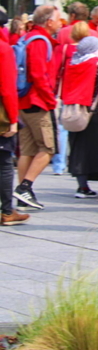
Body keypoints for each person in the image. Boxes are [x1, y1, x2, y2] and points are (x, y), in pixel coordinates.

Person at [13, 5, 62, 211]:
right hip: (37, 101)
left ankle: (23, 192)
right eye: (58, 19)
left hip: (24, 100)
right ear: (49, 22)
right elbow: (39, 74)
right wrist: (50, 100)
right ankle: (25, 187)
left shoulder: (28, 38)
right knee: (48, 148)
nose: (61, 22)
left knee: (28, 149)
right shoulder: (40, 41)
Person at [61, 33, 98, 199]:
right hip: (97, 111)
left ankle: (82, 186)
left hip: (77, 111)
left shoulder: (72, 64)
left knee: (80, 148)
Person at [0, 31, 28, 225]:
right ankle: (7, 210)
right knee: (4, 162)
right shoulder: (3, 49)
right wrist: (12, 118)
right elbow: (7, 87)